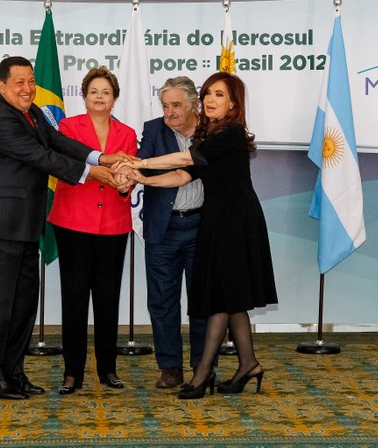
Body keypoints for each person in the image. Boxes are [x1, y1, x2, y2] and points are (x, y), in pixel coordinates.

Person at [0, 56, 131, 400]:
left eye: (30, 82)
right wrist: (92, 173)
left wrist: (100, 158)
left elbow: (58, 142)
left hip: (25, 226)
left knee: (22, 305)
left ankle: (13, 373)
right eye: (19, 83)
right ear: (1, 87)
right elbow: (41, 157)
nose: (27, 89)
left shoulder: (32, 112)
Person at [114, 71, 278, 399]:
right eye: (208, 94)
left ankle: (203, 373)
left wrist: (141, 162)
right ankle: (248, 364)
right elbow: (181, 176)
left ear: (233, 103)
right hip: (219, 223)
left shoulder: (230, 133)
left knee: (220, 298)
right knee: (229, 300)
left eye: (219, 95)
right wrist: (140, 177)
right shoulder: (211, 135)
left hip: (235, 223)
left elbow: (186, 158)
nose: (211, 100)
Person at [47, 67, 136, 395]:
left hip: (113, 224)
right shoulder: (68, 127)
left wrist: (126, 185)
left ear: (114, 98)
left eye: (106, 92)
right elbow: (65, 167)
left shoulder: (127, 134)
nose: (99, 97)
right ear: (83, 97)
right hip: (72, 222)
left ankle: (108, 369)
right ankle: (72, 373)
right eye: (93, 91)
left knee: (108, 297)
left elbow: (127, 177)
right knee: (74, 298)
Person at [138, 76, 206, 389]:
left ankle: (203, 366)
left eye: (176, 105)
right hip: (162, 229)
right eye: (165, 105)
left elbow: (182, 171)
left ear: (194, 105)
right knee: (162, 301)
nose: (169, 112)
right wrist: (129, 173)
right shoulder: (153, 130)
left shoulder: (211, 131)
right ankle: (170, 367)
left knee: (203, 301)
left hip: (203, 227)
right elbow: (143, 167)